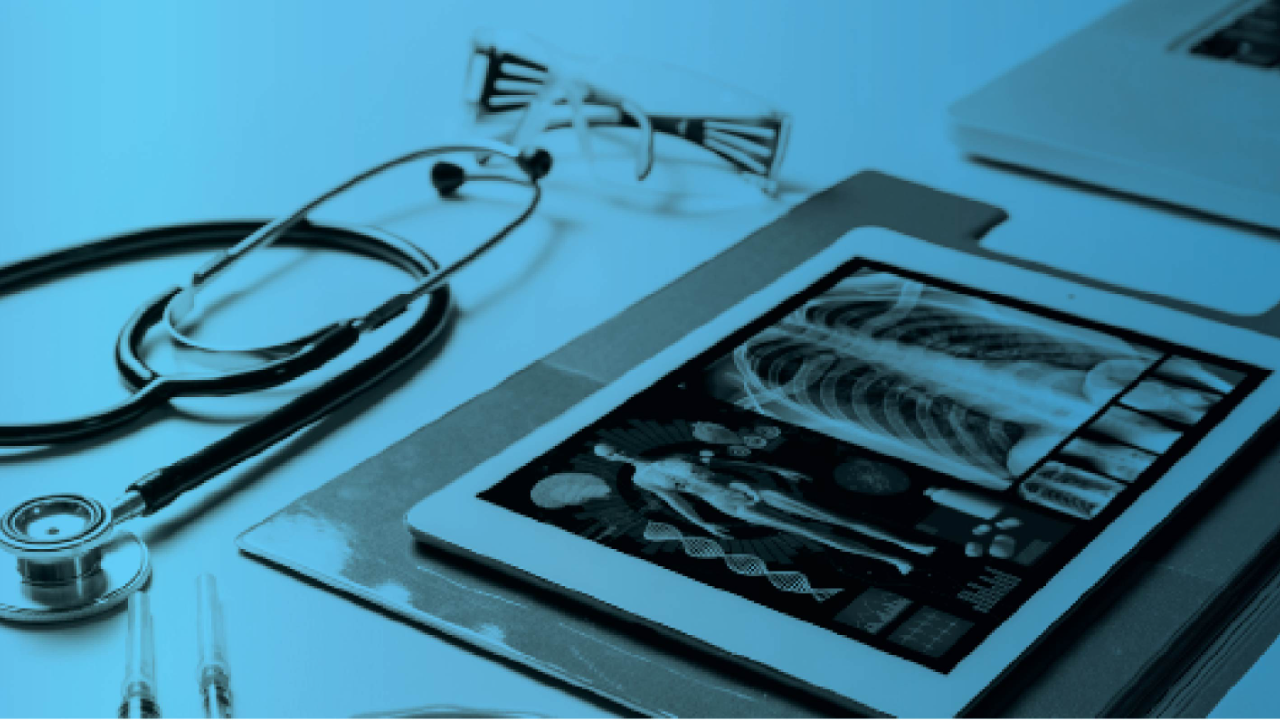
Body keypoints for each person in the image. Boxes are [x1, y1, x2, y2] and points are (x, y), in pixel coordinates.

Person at [594, 443, 933, 575]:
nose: (619, 453)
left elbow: (723, 461)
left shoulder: (675, 457)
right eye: (611, 455)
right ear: (611, 460)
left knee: (835, 518)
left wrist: (776, 470)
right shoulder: (644, 479)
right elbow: (676, 500)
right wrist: (704, 526)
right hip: (724, 502)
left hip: (750, 486)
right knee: (812, 532)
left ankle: (908, 544)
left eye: (615, 448)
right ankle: (894, 560)